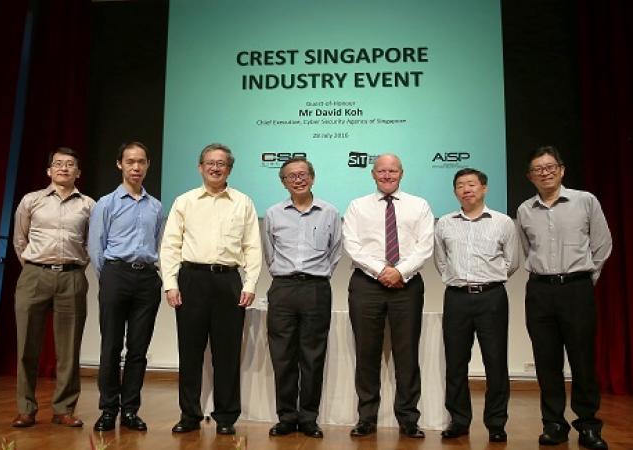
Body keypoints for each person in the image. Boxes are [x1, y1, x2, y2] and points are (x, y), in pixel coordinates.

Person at [160, 143, 262, 436]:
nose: (215, 168)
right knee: (190, 352)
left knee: (227, 353)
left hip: (228, 281)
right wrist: (170, 284)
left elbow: (252, 247)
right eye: (210, 163)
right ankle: (189, 414)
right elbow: (170, 245)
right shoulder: (184, 201)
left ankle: (226, 416)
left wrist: (250, 283)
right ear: (200, 167)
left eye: (221, 164)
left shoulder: (243, 202)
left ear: (229, 169)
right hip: (191, 279)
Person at [517, 146, 612, 449]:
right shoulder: (524, 210)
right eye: (538, 169)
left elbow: (602, 244)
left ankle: (588, 426)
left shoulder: (585, 201)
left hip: (576, 289)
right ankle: (554, 424)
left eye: (550, 167)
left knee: (583, 360)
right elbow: (526, 249)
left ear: (561, 169)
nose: (544, 173)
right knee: (547, 362)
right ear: (530, 176)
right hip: (540, 291)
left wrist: (584, 279)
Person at [342, 153, 434, 439]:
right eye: (381, 171)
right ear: (373, 174)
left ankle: (408, 418)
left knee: (407, 354)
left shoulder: (419, 205)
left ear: (401, 173)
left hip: (407, 285)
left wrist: (400, 271)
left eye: (392, 171)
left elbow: (425, 245)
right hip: (366, 284)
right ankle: (366, 418)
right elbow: (352, 244)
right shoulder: (357, 206)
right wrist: (381, 270)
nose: (387, 175)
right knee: (366, 353)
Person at [11, 147, 95, 428]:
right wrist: (33, 266)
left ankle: (64, 409)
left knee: (69, 349)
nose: (64, 168)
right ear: (49, 170)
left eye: (70, 164)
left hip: (71, 276)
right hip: (34, 275)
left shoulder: (89, 205)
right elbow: (20, 239)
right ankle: (25, 408)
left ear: (78, 172)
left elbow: (91, 242)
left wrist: (76, 266)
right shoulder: (31, 200)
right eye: (58, 164)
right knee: (27, 346)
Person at [434, 168, 519, 442]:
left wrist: (490, 279)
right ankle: (459, 420)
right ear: (455, 192)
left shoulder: (503, 222)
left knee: (496, 361)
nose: (466, 189)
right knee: (456, 362)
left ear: (484, 188)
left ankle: (496, 424)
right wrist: (458, 279)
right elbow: (441, 261)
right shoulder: (444, 223)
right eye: (460, 185)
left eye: (471, 184)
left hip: (492, 297)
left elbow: (512, 262)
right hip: (456, 297)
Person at [262, 157, 342, 439]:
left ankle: (309, 418)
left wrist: (315, 276)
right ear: (283, 182)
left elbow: (335, 252)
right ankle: (286, 417)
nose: (298, 180)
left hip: (316, 288)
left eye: (303, 174)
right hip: (283, 288)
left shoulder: (330, 212)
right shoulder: (273, 213)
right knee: (282, 356)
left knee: (313, 356)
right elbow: (269, 253)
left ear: (312, 177)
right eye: (291, 176)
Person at [88, 142, 164, 432]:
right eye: (130, 161)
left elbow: (156, 242)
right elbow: (96, 247)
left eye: (141, 162)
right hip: (116, 275)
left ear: (148, 165)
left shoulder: (155, 206)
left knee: (138, 348)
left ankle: (130, 410)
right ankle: (108, 409)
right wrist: (109, 277)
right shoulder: (106, 203)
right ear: (119, 164)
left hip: (146, 279)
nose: (136, 167)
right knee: (110, 346)